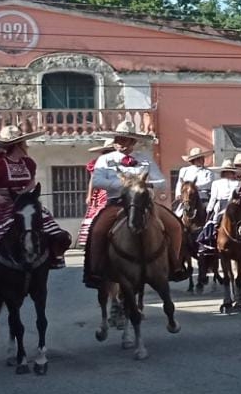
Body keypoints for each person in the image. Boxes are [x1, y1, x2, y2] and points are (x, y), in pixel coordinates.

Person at [0, 126, 71, 284]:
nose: (27, 146)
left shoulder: (28, 162)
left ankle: (49, 256)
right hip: (0, 201)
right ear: (17, 145)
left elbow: (31, 182)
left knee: (46, 222)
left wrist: (25, 194)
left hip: (21, 201)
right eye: (24, 143)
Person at [82, 121, 186, 288]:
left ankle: (174, 264)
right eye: (118, 139)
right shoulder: (104, 159)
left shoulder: (145, 159)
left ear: (133, 142)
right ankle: (95, 269)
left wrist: (146, 185)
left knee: (175, 226)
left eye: (125, 140)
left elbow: (161, 181)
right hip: (117, 203)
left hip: (144, 203)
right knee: (97, 229)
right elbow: (98, 181)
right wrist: (125, 186)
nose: (120, 143)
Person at [77, 139, 115, 247]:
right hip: (102, 192)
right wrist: (89, 195)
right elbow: (93, 180)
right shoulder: (98, 163)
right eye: (107, 151)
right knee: (98, 212)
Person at [174, 146, 214, 211]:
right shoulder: (184, 170)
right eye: (199, 159)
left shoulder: (208, 172)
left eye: (202, 158)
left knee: (208, 210)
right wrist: (178, 193)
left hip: (202, 196)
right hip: (187, 196)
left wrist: (194, 187)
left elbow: (209, 183)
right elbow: (179, 183)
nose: (202, 160)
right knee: (178, 213)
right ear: (194, 160)